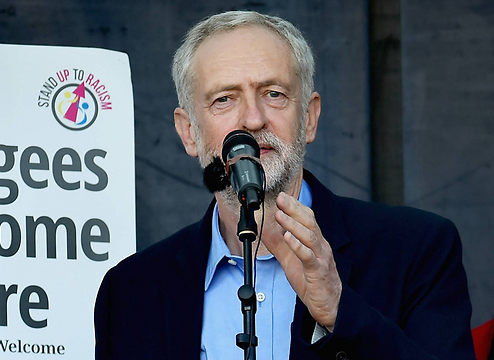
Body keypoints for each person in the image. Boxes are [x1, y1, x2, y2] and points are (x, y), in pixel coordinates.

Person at [94, 10, 475, 360]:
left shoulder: (416, 250)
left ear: (308, 118)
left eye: (273, 94)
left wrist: (341, 313)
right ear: (188, 132)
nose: (253, 119)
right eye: (224, 99)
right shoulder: (130, 292)